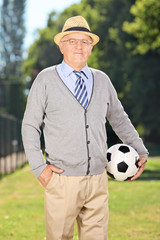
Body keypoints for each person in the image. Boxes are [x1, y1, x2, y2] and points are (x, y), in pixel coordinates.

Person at [22, 16, 148, 240]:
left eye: (85, 41)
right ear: (61, 46)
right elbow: (30, 125)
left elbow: (119, 118)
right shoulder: (45, 80)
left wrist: (140, 150)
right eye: (72, 41)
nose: (79, 46)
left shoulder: (102, 80)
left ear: (91, 46)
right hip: (61, 181)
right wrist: (39, 167)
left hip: (98, 180)